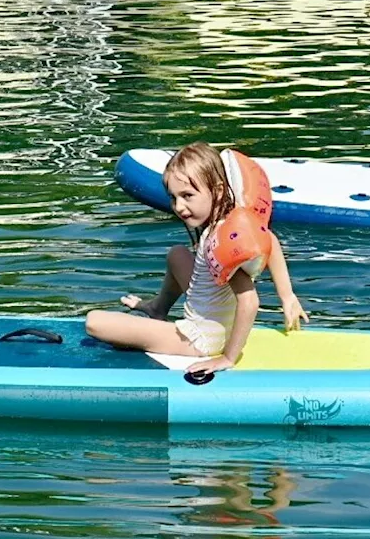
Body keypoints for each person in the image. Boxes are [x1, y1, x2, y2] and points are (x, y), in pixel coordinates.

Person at [86, 142, 309, 375]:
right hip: (207, 310)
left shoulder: (224, 242)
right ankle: (157, 308)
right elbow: (269, 238)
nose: (179, 207)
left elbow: (250, 301)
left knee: (95, 322)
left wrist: (228, 357)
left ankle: (172, 332)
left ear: (219, 190)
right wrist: (287, 295)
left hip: (199, 340)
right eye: (174, 198)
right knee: (177, 254)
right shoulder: (224, 223)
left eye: (188, 196)